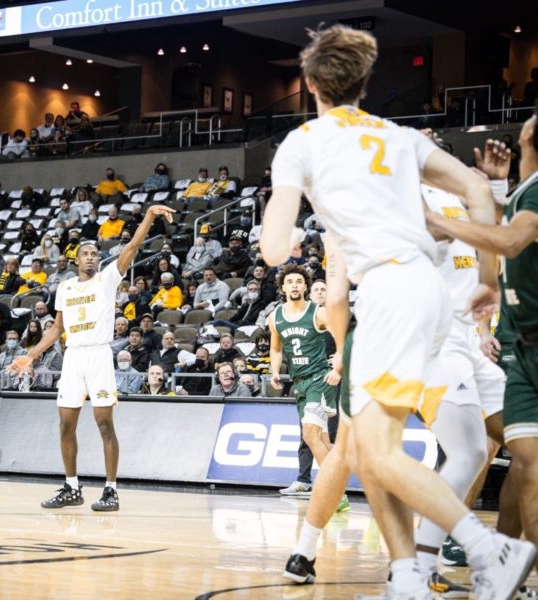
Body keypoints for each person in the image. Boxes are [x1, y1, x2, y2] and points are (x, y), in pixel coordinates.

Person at [263, 24, 532, 597]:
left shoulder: (301, 143)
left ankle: (489, 548)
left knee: (377, 451)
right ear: (364, 83)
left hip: (388, 289)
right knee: (363, 444)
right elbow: (482, 192)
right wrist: (487, 280)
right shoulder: (400, 137)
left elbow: (272, 247)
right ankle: (408, 576)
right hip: (435, 296)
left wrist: (283, 235)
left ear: (310, 83)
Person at [425, 121, 538, 581]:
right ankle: (418, 561)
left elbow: (500, 236)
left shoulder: (465, 196)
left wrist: (490, 185)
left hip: (474, 336)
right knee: (469, 451)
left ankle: (501, 562)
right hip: (434, 339)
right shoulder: (405, 198)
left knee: (520, 452)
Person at [8, 205, 174, 512]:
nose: (89, 256)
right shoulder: (66, 288)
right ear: (75, 259)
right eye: (84, 253)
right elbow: (57, 329)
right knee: (64, 425)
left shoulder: (108, 278)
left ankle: (111, 490)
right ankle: (72, 487)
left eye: (93, 253)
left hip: (98, 354)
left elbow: (133, 245)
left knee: (104, 424)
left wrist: (149, 216)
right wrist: (29, 356)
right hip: (73, 357)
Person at [268, 265, 343, 506]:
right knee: (322, 440)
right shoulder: (275, 317)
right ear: (283, 287)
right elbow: (276, 349)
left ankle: (335, 494)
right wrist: (274, 372)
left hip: (319, 379)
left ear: (305, 286)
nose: (295, 285)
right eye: (290, 282)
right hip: (299, 383)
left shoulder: (318, 312)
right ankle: (344, 485)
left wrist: (337, 368)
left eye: (299, 281)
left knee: (310, 434)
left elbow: (342, 338)